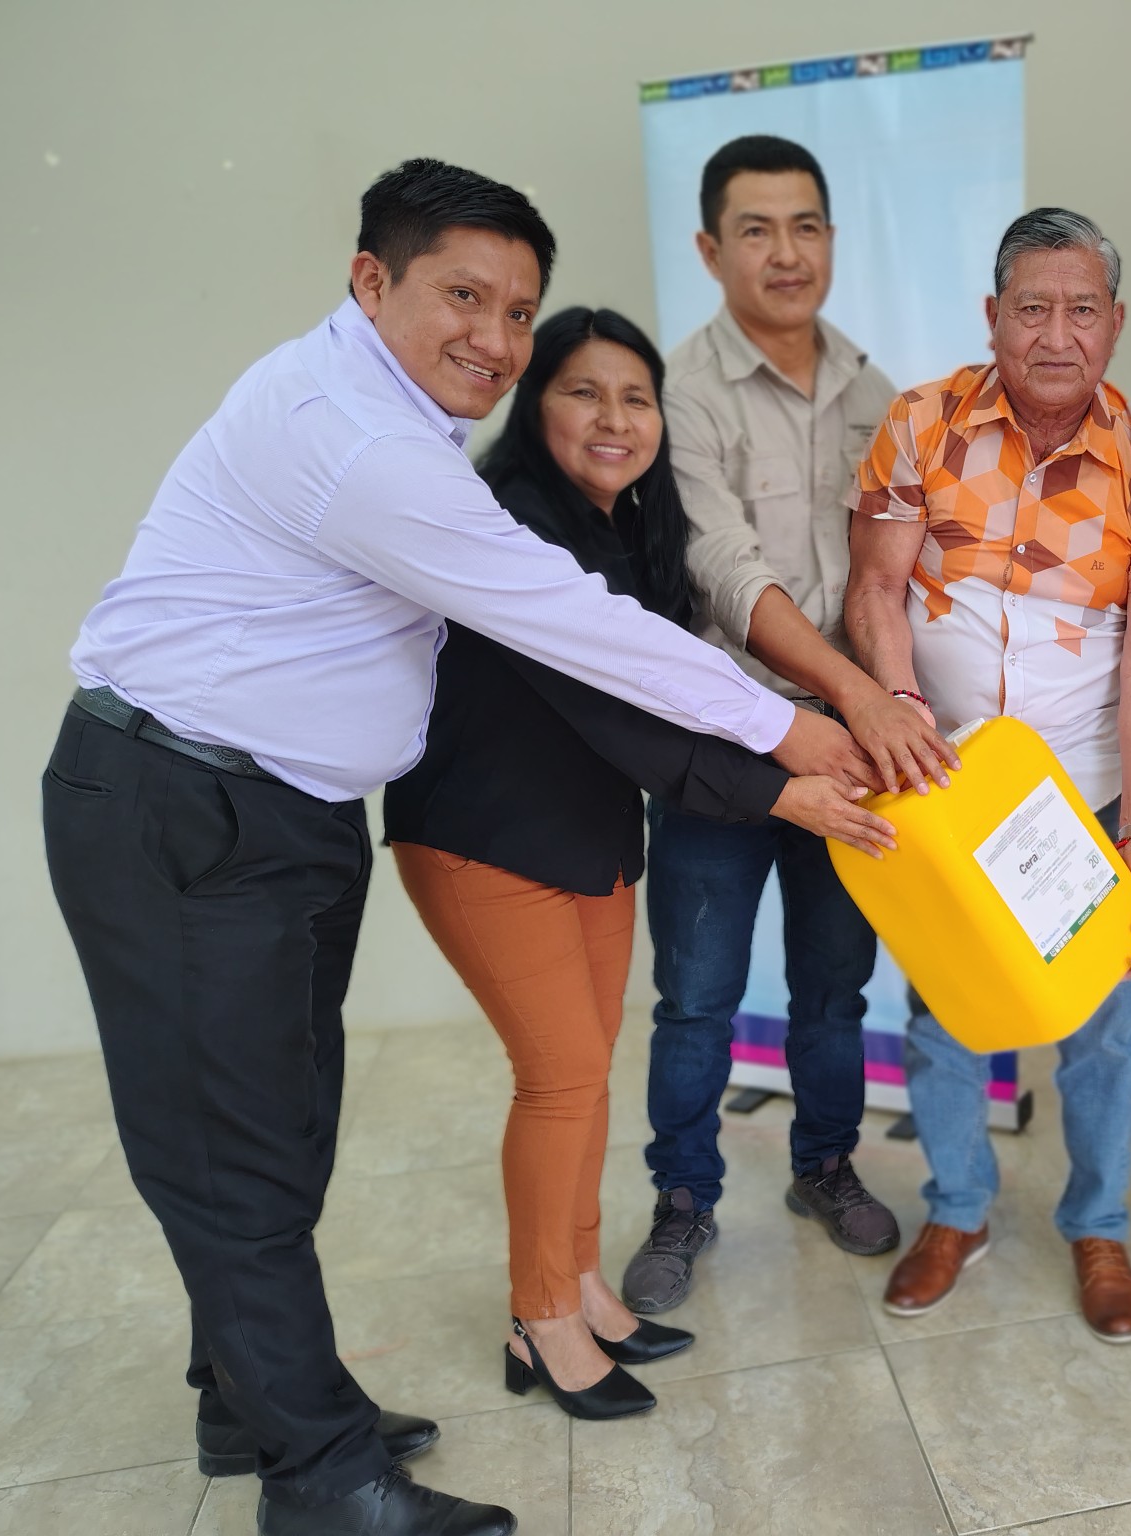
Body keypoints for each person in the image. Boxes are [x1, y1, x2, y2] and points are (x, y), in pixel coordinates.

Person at [42, 159, 861, 1536]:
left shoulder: (403, 428)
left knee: (282, 1130)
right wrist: (795, 735)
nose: (493, 336)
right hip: (185, 800)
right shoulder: (360, 442)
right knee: (238, 1153)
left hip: (283, 810)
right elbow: (580, 633)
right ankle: (323, 1480)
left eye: (515, 310)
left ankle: (252, 1400)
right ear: (372, 282)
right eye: (463, 298)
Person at [383, 307, 893, 1422]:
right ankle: (540, 1321)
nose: (614, 419)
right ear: (536, 404)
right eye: (583, 392)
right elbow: (624, 708)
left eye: (636, 397)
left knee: (581, 1074)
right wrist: (785, 782)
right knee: (562, 1078)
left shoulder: (626, 525)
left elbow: (661, 694)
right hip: (487, 840)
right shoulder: (514, 523)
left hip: (587, 839)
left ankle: (581, 1292)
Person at [845, 208, 1131, 1342]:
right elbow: (874, 588)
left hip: (1077, 799)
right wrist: (898, 705)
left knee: (1103, 1024)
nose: (1057, 334)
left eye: (1081, 309)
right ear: (992, 315)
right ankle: (956, 1210)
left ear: (1116, 322)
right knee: (946, 1011)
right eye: (1032, 308)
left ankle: (1096, 1225)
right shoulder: (921, 423)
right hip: (942, 786)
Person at [622, 136, 958, 1315]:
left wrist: (885, 704)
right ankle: (683, 1199)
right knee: (697, 997)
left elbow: (899, 575)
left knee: (833, 989)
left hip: (854, 754)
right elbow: (723, 571)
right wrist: (854, 695)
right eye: (755, 229)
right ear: (710, 249)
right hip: (721, 747)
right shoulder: (678, 393)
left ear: (830, 240)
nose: (784, 252)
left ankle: (824, 1165)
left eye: (804, 225)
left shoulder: (877, 396)